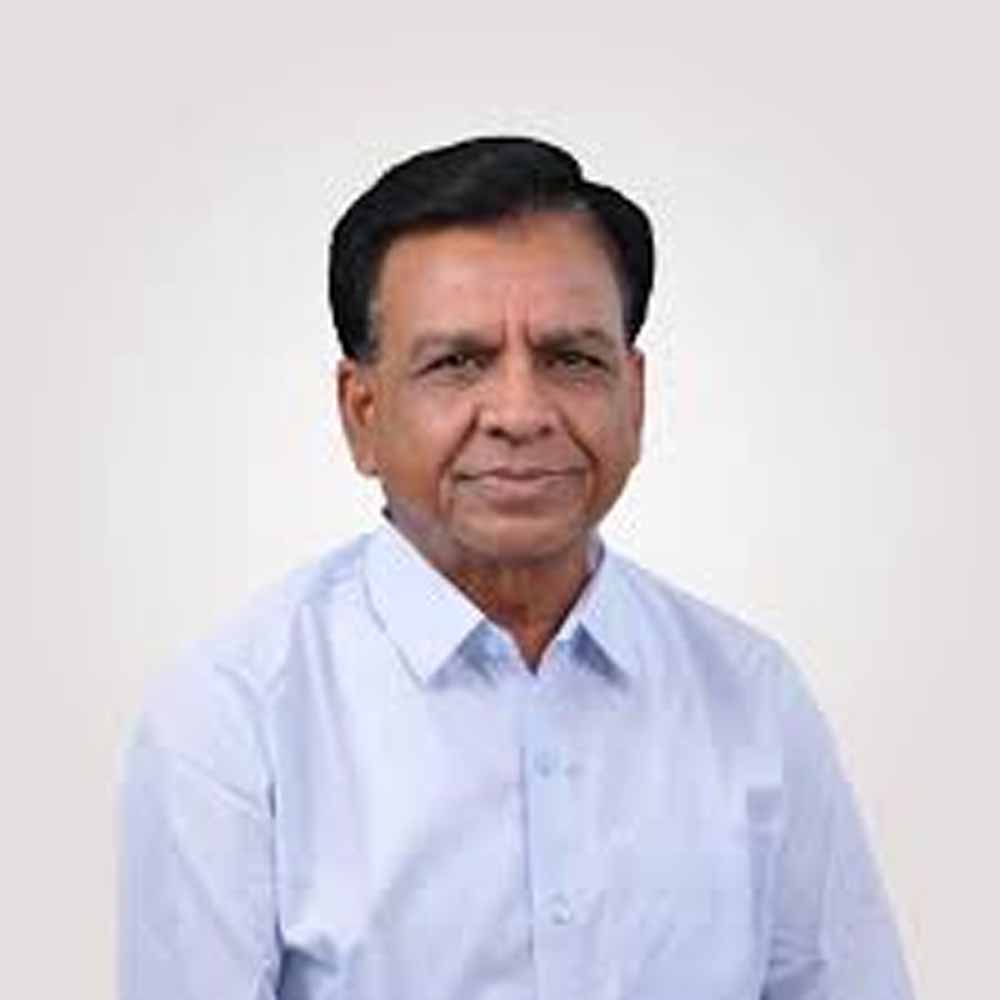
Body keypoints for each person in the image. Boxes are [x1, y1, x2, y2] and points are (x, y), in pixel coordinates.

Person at [119, 136, 913, 999]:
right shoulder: (234, 718)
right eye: (457, 363)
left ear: (634, 396)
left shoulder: (752, 697)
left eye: (572, 359)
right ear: (362, 412)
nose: (521, 413)